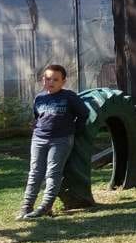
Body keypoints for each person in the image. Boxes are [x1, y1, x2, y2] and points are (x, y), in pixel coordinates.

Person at [19, 64, 87, 219]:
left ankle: (45, 206)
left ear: (63, 81)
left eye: (56, 79)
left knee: (52, 173)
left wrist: (74, 131)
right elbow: (37, 117)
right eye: (48, 78)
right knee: (35, 173)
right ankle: (26, 207)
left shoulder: (69, 97)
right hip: (39, 139)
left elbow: (83, 114)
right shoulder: (39, 98)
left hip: (61, 140)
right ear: (43, 79)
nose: (51, 82)